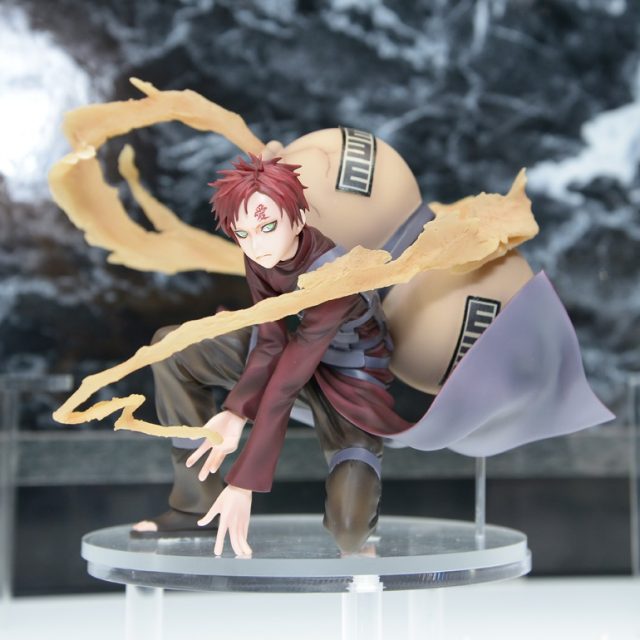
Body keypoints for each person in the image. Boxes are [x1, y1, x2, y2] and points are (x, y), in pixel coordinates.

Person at [133, 153, 413, 555]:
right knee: (172, 346)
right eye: (242, 233)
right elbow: (270, 342)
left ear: (297, 219)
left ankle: (357, 531)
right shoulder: (259, 255)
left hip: (350, 383)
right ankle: (196, 502)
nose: (256, 244)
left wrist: (243, 481)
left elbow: (287, 379)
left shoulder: (335, 275)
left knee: (350, 532)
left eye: (267, 227)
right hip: (289, 358)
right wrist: (234, 413)